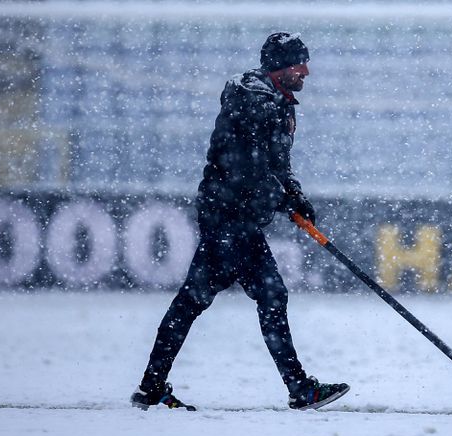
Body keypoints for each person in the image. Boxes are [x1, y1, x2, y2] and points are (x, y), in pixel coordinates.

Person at [131, 32, 349, 411]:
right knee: (259, 295)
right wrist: (279, 198)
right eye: (301, 64)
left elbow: (277, 164)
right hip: (228, 216)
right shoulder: (252, 101)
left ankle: (152, 387)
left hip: (239, 218)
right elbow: (245, 166)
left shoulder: (281, 104)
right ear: (281, 66)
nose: (307, 72)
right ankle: (298, 388)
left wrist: (294, 194)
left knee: (199, 300)